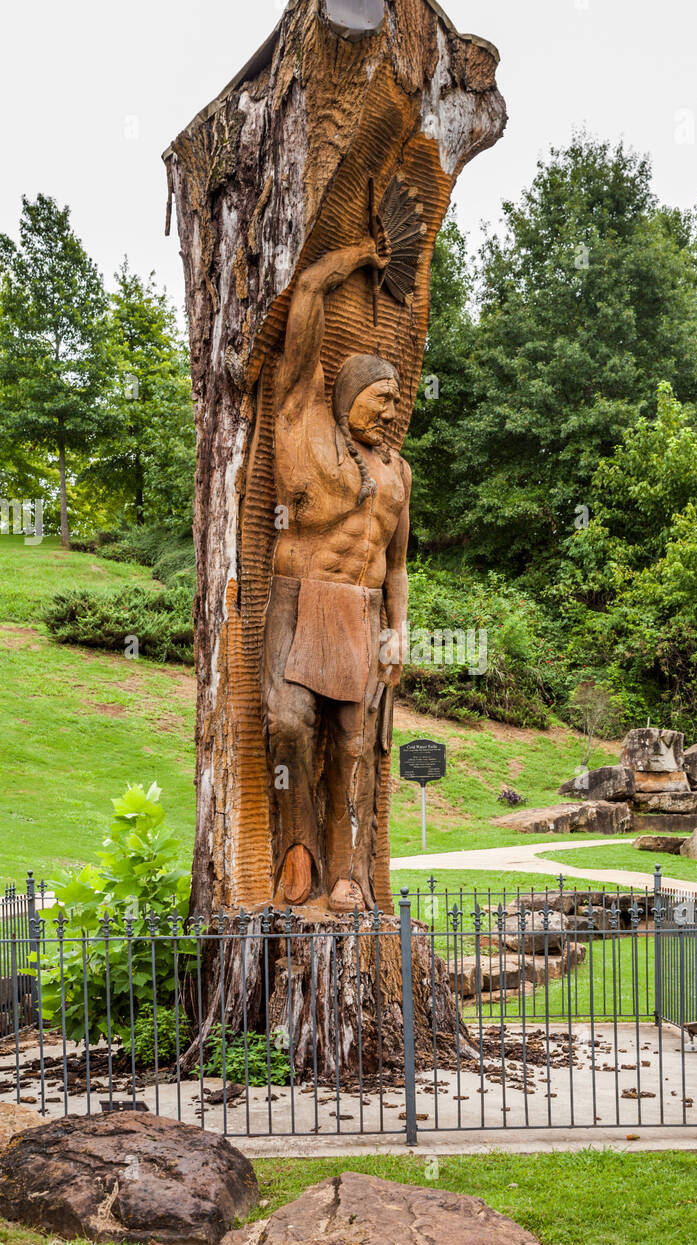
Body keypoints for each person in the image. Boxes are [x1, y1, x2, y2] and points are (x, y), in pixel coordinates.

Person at [263, 236, 410, 911]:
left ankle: (349, 870)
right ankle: (299, 848)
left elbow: (397, 564)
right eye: (380, 397)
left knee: (353, 745)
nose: (390, 410)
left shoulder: (397, 473)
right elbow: (310, 293)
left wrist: (399, 632)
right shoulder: (303, 421)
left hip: (362, 613)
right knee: (289, 724)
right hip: (301, 600)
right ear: (347, 392)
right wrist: (359, 254)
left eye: (395, 400)